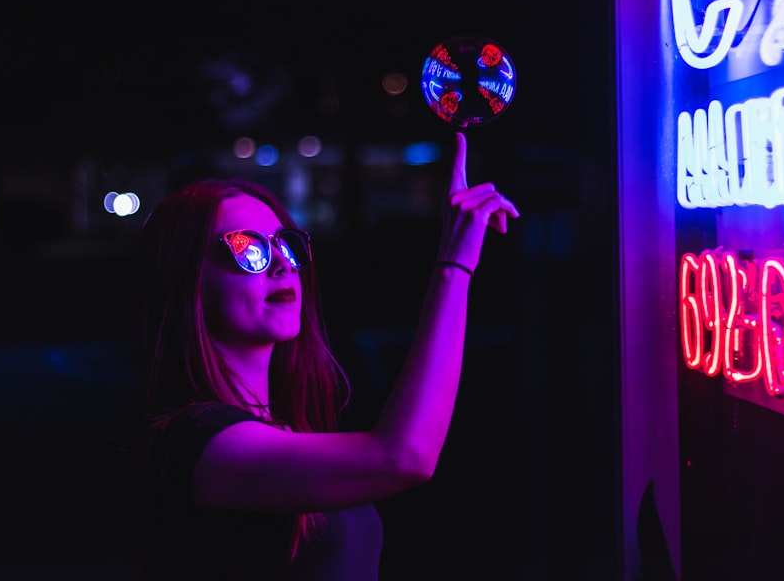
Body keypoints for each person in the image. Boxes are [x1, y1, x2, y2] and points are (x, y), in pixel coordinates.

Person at [135, 131, 519, 579]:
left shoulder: (275, 429)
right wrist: (455, 267)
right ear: (187, 282)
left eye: (286, 244)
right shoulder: (200, 444)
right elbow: (404, 456)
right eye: (248, 250)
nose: (281, 264)